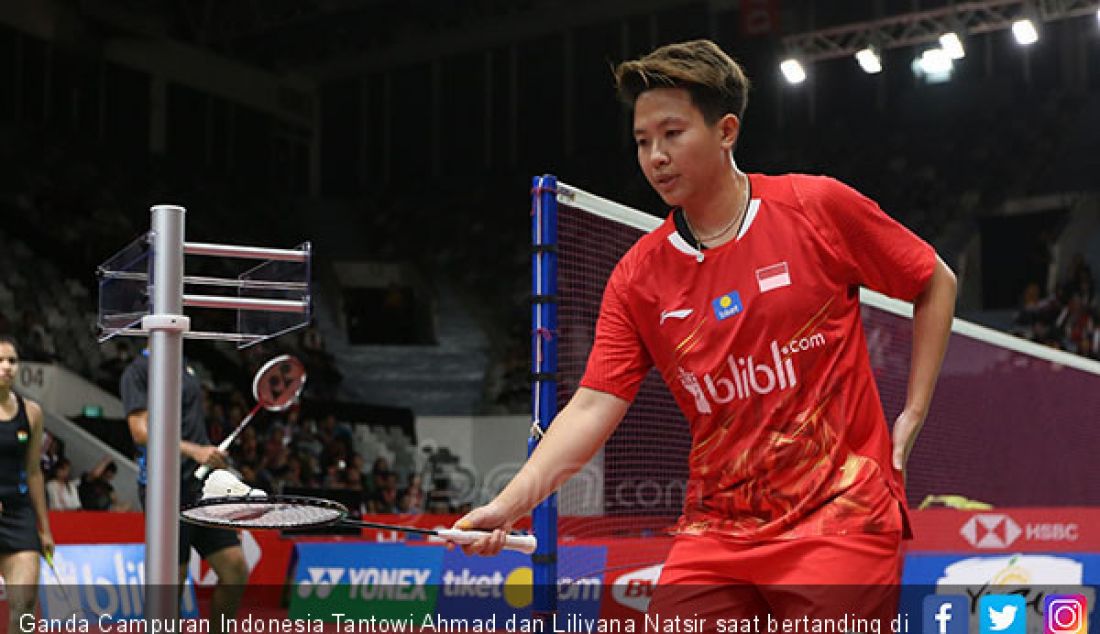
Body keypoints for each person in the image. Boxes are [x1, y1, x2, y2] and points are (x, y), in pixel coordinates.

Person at [457, 39, 957, 622]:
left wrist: (914, 412)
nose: (655, 156)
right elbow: (593, 404)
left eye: (672, 134)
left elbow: (933, 280)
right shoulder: (639, 277)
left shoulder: (814, 207)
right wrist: (509, 504)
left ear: (725, 131)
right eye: (643, 141)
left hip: (839, 516)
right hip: (718, 531)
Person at [121, 348, 248, 631]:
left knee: (235, 570)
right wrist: (194, 452)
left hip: (201, 488)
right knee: (171, 588)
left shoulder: (186, 365)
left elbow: (190, 425)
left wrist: (210, 459)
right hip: (165, 489)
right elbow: (140, 432)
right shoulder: (138, 370)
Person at [0, 335, 55, 632]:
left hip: (17, 516)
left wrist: (44, 529)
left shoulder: (31, 413)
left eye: (12, 360)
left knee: (24, 606)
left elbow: (34, 472)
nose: (6, 367)